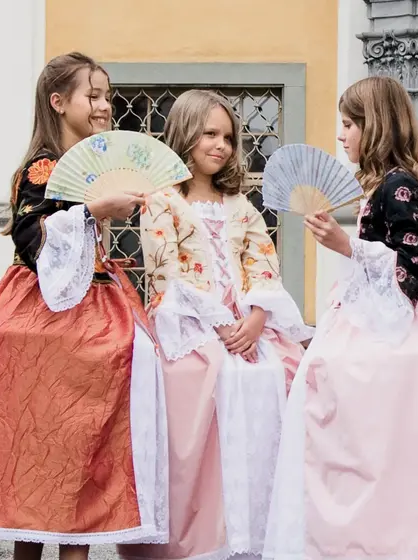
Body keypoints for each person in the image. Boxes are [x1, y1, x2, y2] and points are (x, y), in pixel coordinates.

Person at [261, 75, 418, 559]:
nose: (341, 135)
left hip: (405, 327)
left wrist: (345, 243)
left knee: (378, 433)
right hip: (380, 314)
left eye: (348, 124)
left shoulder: (400, 186)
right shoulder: (386, 186)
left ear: (376, 126)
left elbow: (410, 270)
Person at [0, 52, 168, 560]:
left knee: (85, 451)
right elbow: (29, 237)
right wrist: (91, 210)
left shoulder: (103, 163)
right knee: (38, 451)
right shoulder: (42, 168)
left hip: (96, 308)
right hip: (43, 312)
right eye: (93, 95)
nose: (105, 105)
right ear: (58, 101)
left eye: (107, 95)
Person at [117, 89, 312, 560]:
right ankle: (206, 537)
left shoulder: (241, 206)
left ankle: (262, 530)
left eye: (227, 136)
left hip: (248, 325)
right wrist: (221, 324)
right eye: (209, 133)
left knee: (282, 375)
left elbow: (263, 263)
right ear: (185, 134)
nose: (220, 145)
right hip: (191, 324)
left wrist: (258, 317)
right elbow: (166, 271)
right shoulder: (161, 202)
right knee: (207, 382)